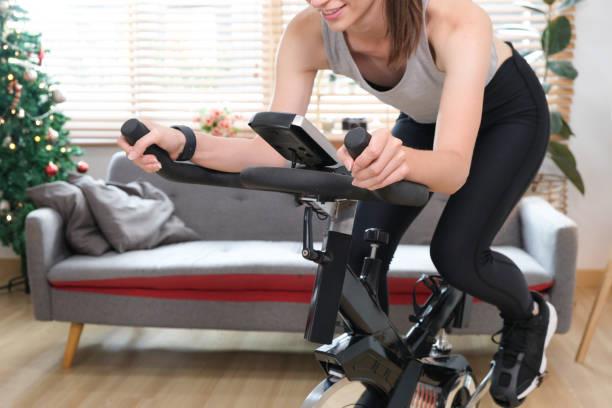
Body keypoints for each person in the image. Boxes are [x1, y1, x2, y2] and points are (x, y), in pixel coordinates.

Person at [117, 0, 558, 405]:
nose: (319, 1)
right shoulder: (308, 32)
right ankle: (391, 379)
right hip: (426, 120)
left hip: (510, 116)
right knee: (358, 257)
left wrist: (397, 159)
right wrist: (186, 142)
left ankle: (530, 316)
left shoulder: (453, 20)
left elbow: (452, 168)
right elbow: (271, 150)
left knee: (457, 254)